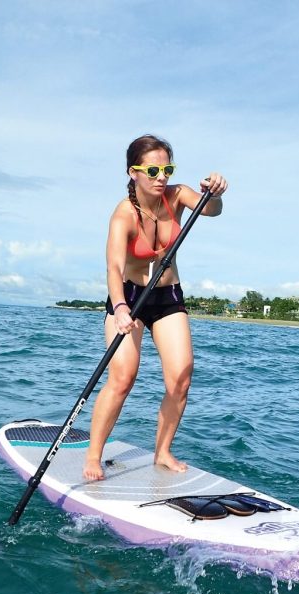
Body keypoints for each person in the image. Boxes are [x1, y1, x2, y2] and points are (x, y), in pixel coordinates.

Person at [83, 135, 228, 481]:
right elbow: (114, 267)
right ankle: (93, 455)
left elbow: (211, 210)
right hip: (129, 297)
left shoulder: (176, 195)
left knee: (181, 377)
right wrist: (120, 307)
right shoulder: (123, 214)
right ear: (133, 172)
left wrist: (215, 193)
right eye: (152, 170)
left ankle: (162, 452)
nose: (161, 177)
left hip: (167, 297)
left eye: (167, 169)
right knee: (123, 377)